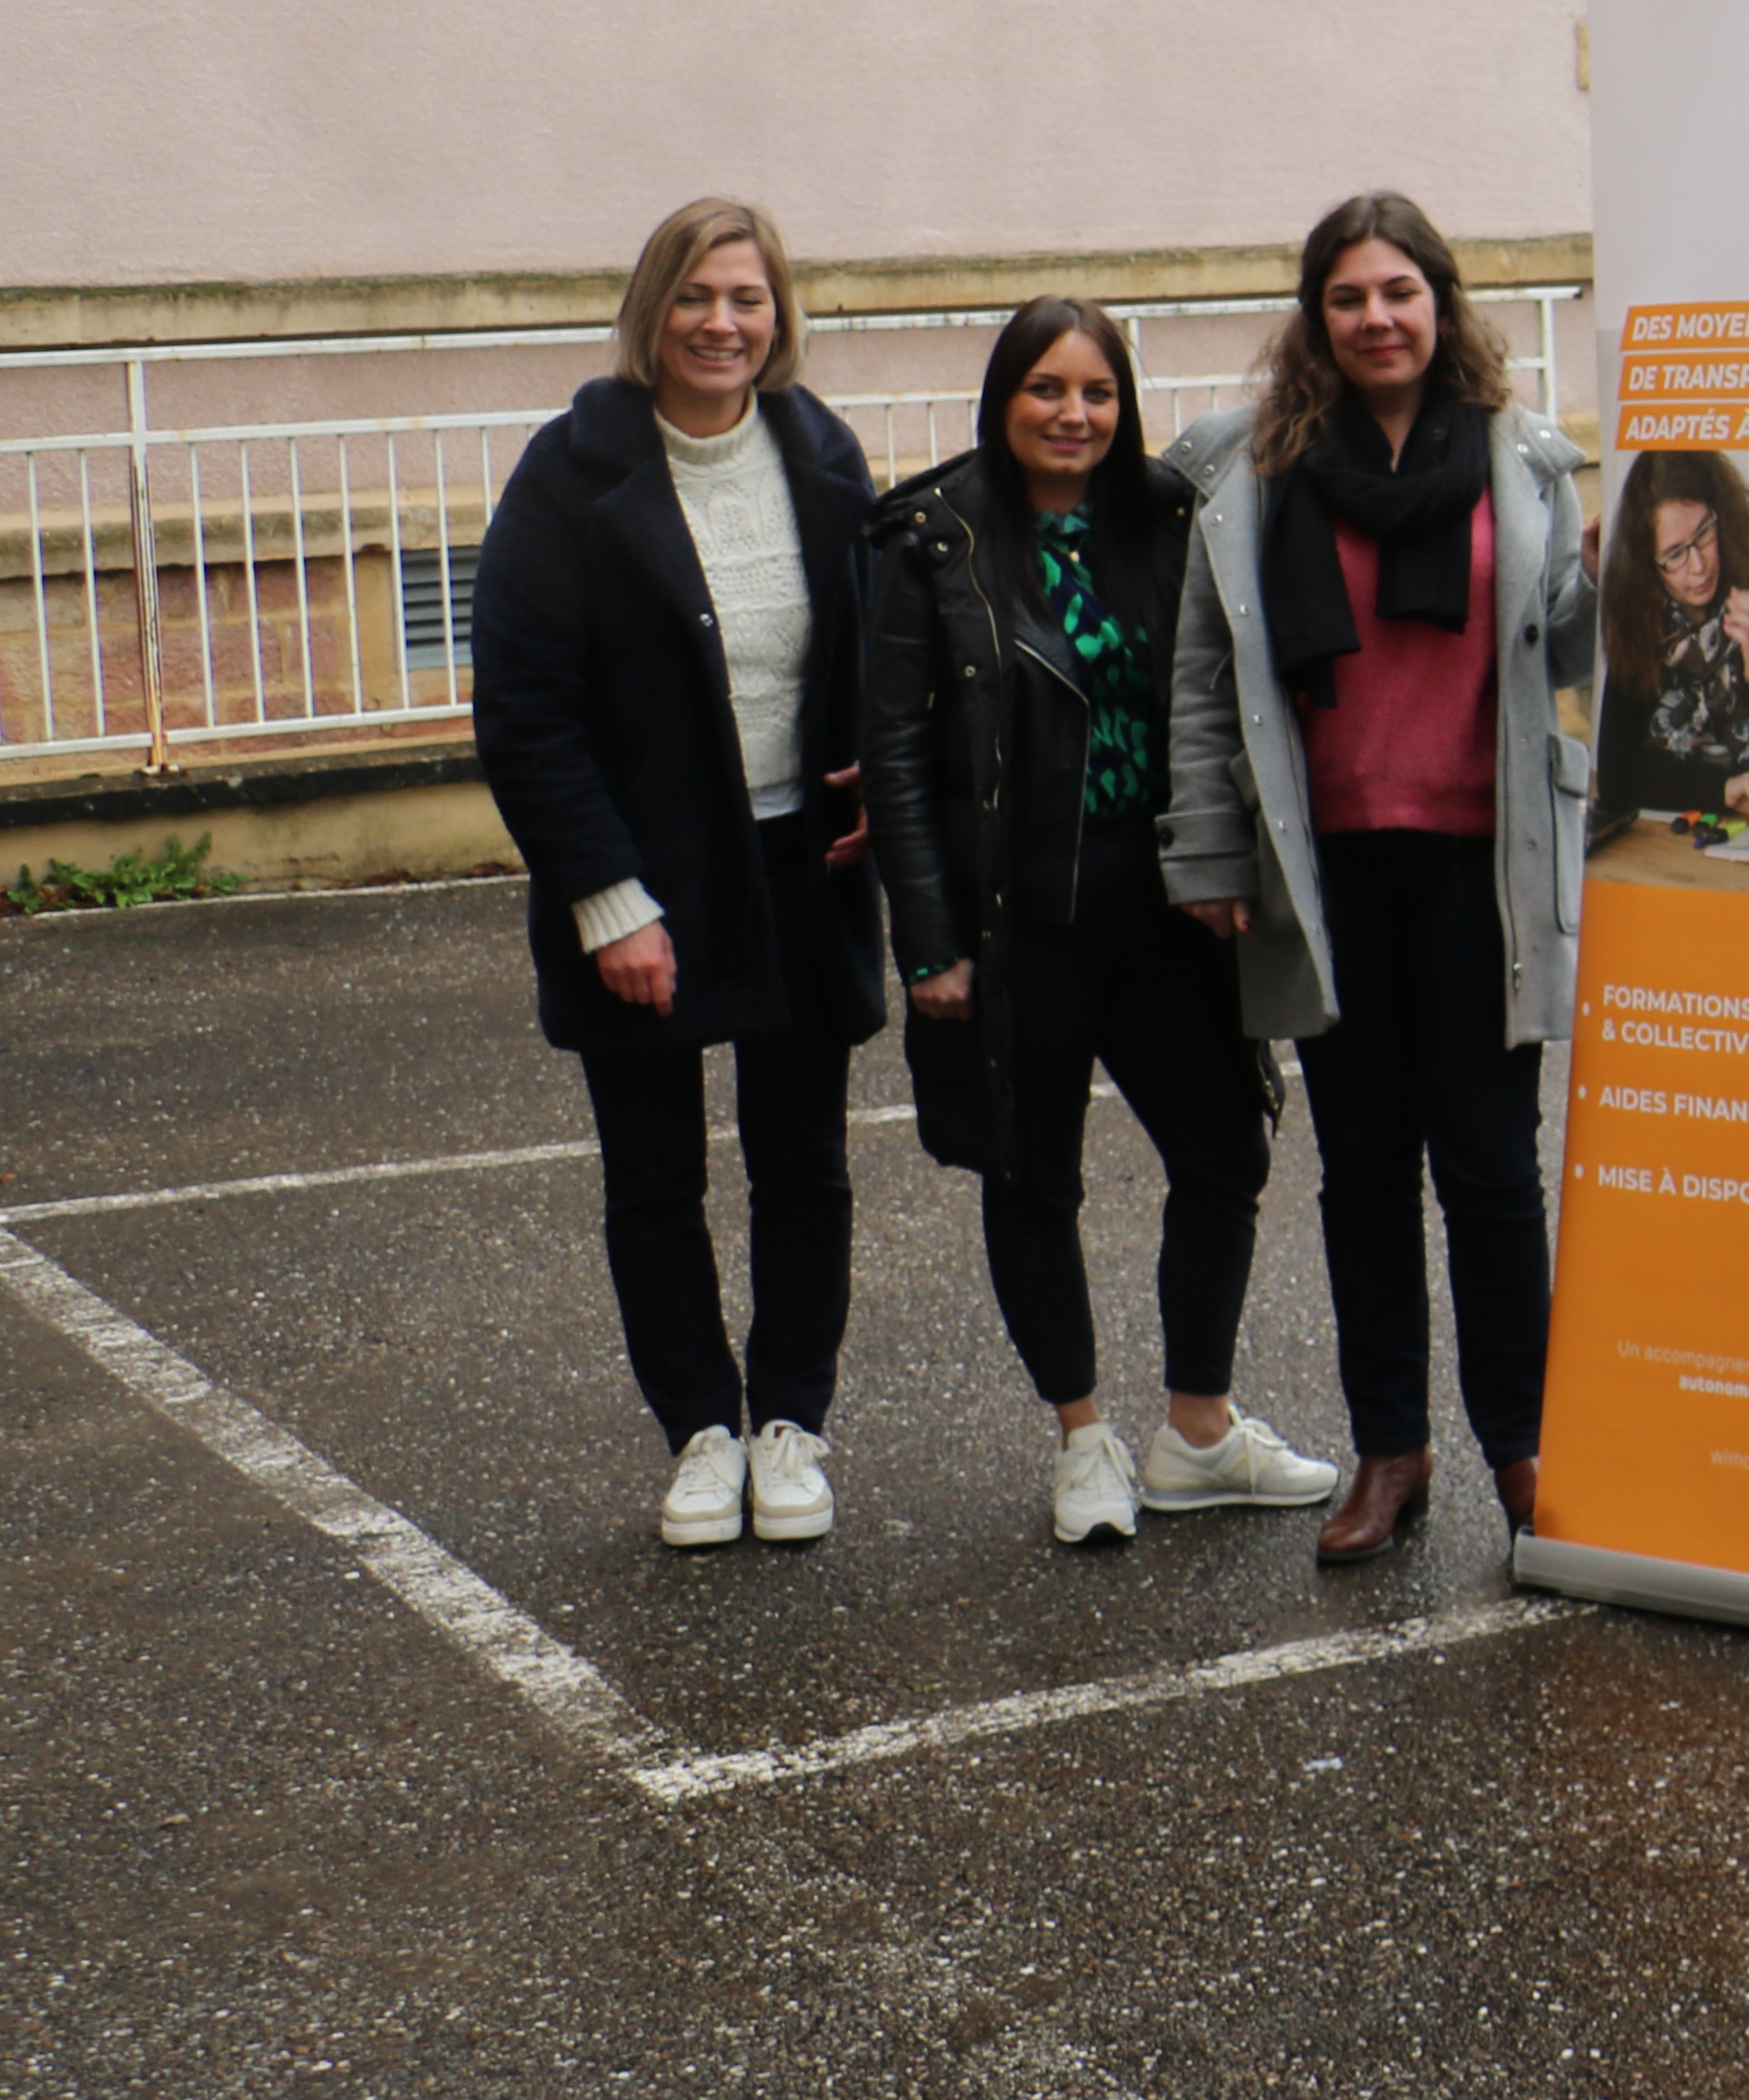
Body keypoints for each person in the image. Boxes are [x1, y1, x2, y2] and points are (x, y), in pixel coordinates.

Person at [863, 298, 1338, 1548]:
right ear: (1003, 399)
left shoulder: (1170, 519)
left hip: (1170, 904)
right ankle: (1082, 1441)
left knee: (1226, 1156)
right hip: (1021, 918)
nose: (1074, 416)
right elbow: (900, 758)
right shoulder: (935, 537)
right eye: (1046, 390)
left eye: (1099, 393)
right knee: (1030, 1179)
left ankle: (1196, 1431)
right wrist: (928, 942)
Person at [1164, 196, 1597, 1567]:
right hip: (1327, 869)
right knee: (1361, 1172)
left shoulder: (1524, 459)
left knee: (1489, 1169)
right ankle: (1390, 1450)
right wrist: (1210, 853)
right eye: (1348, 298)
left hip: (1483, 867)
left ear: (1443, 303)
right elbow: (1201, 682)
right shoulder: (1259, 470)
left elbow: (1574, 653)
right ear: (1318, 319)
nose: (1377, 319)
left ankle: (1526, 1450)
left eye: (1400, 291)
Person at [469, 197, 882, 1550]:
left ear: (780, 316)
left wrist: (885, 778)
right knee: (654, 1176)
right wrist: (609, 901)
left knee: (802, 1162)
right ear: (654, 311)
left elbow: (877, 662)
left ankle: (791, 1424)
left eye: (748, 300)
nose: (723, 324)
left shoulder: (825, 460)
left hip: (799, 867)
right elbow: (526, 710)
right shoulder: (573, 472)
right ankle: (701, 1427)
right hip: (646, 879)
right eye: (699, 297)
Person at [1593, 446, 1749, 828]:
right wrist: (1724, 788)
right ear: (1648, 562)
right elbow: (1617, 779)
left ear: (1723, 519)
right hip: (1663, 840)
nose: (1697, 566)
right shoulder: (1637, 618)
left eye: (1703, 534)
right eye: (1675, 554)